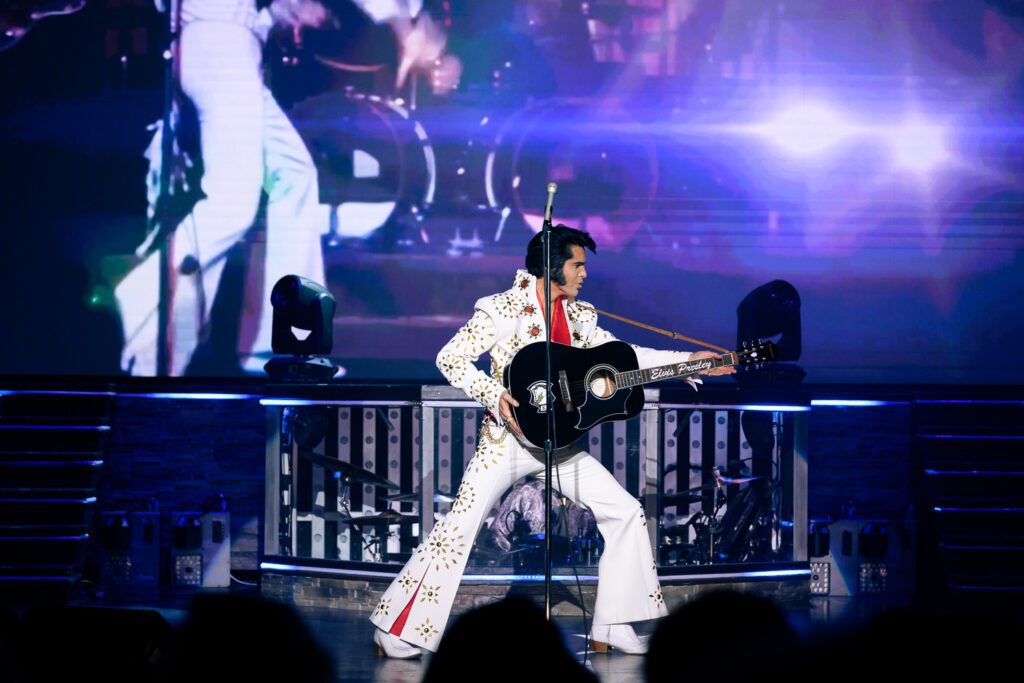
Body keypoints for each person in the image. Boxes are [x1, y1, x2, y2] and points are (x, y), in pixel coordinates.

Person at [369, 224, 734, 658]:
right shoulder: (502, 309)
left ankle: (613, 624)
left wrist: (685, 361)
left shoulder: (581, 316)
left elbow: (625, 355)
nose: (584, 274)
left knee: (626, 512)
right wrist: (492, 392)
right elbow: (449, 357)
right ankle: (395, 629)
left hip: (560, 447)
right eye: (577, 265)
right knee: (458, 528)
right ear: (551, 267)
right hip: (505, 441)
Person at [116, 0, 460, 376]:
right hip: (219, 41)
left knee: (294, 177)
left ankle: (286, 347)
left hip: (227, 41)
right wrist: (402, 21)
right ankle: (141, 304)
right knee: (231, 203)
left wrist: (282, 12)